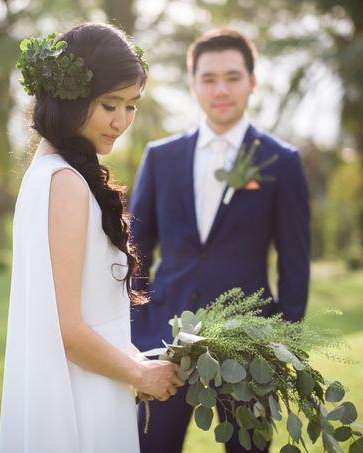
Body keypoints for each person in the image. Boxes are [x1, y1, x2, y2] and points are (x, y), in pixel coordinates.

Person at [0, 23, 181, 453]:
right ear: (70, 98)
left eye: (131, 106)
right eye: (109, 105)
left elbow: (89, 315)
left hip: (95, 384)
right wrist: (138, 376)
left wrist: (138, 360)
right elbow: (69, 330)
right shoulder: (64, 182)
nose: (121, 121)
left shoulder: (46, 174)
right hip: (80, 400)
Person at [129, 29, 311, 453]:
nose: (221, 89)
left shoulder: (280, 162)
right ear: (193, 85)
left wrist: (281, 348)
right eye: (209, 78)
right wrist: (139, 337)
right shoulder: (161, 157)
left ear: (253, 81)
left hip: (249, 349)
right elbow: (134, 252)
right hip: (163, 345)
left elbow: (295, 263)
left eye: (232, 76)